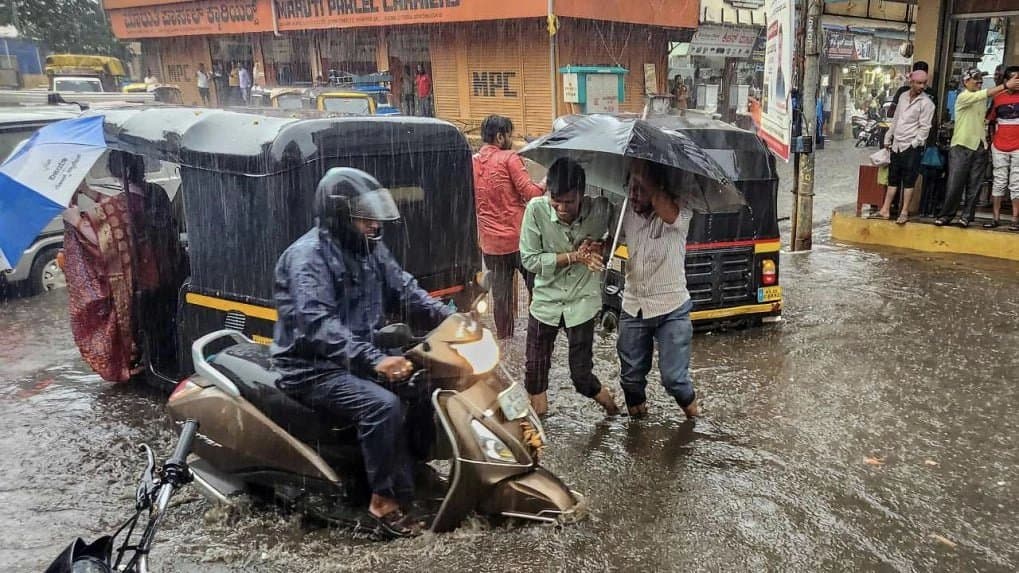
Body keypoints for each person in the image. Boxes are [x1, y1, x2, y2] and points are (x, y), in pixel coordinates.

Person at [271, 168, 452, 537]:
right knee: (382, 406)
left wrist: (451, 318)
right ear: (339, 216)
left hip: (357, 355)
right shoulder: (308, 258)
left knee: (424, 385)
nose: (374, 224)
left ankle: (409, 471)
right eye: (364, 218)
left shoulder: (369, 248)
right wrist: (375, 359)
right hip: (312, 366)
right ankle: (382, 502)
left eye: (375, 216)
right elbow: (319, 325)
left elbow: (404, 289)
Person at [518, 158, 619, 417]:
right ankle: (540, 428)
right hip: (545, 302)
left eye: (569, 202)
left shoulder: (602, 210)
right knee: (534, 374)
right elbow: (529, 260)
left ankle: (612, 408)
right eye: (556, 200)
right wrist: (574, 257)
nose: (562, 208)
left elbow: (620, 237)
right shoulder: (536, 210)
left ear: (582, 194)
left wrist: (601, 248)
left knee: (581, 377)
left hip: (582, 303)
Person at [616, 159, 700, 419]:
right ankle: (637, 430)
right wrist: (596, 247)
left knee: (674, 379)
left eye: (640, 189)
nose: (633, 195)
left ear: (657, 188)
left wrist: (648, 182)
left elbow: (672, 216)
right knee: (630, 380)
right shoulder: (625, 211)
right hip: (634, 305)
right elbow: (611, 240)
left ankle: (696, 420)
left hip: (671, 307)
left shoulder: (681, 208)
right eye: (631, 187)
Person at [472, 115, 545, 339]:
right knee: (539, 290)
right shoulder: (509, 158)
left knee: (501, 298)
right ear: (500, 137)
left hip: (491, 246)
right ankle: (538, 336)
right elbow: (531, 194)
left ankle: (505, 341)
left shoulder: (472, 162)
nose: (511, 140)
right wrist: (546, 180)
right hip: (520, 241)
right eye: (509, 135)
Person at [936, 68, 1019, 227]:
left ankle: (967, 217)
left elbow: (987, 117)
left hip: (980, 145)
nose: (979, 82)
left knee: (974, 186)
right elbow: (983, 95)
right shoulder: (963, 96)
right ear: (966, 81)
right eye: (976, 80)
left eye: (981, 80)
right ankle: (946, 215)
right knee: (955, 184)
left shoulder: (982, 99)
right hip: (962, 145)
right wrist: (1005, 85)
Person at [874, 70, 935, 224]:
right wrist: (888, 137)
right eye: (919, 83)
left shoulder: (927, 103)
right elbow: (896, 119)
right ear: (911, 82)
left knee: (909, 181)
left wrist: (914, 144)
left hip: (911, 146)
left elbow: (925, 128)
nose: (922, 86)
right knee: (893, 178)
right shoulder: (902, 97)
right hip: (897, 144)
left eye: (924, 83)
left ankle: (904, 211)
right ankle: (885, 209)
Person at [985, 65, 1019, 231]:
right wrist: (991, 141)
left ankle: (1015, 219)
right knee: (999, 181)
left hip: (1018, 146)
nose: (1017, 82)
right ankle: (995, 218)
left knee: (1016, 183)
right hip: (999, 145)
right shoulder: (998, 97)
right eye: (1014, 78)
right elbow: (989, 121)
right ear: (1006, 80)